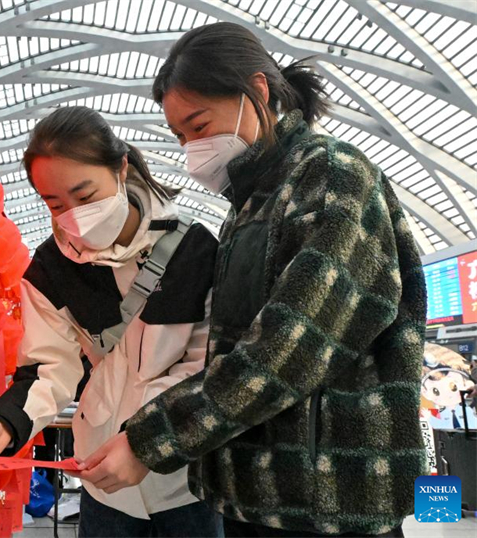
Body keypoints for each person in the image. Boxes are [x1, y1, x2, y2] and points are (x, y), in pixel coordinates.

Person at [76, 22, 428, 538]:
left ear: (257, 91)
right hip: (253, 499)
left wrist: (152, 439)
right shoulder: (243, 212)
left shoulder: (332, 177)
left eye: (199, 125)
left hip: (327, 506)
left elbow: (291, 345)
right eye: (180, 136)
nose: (192, 147)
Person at [0, 106, 222, 537]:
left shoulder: (194, 250)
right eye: (54, 203)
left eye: (85, 195)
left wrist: (144, 442)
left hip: (185, 479)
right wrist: (3, 423)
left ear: (121, 168)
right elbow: (48, 369)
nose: (73, 215)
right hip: (102, 482)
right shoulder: (49, 270)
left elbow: (205, 367)